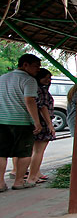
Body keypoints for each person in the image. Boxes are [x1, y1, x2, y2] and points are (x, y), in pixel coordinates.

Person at [0, 54, 42, 190]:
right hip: (22, 122)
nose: (38, 70)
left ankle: (0, 183)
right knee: (23, 153)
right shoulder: (29, 80)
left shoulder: (2, 78)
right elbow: (29, 101)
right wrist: (36, 121)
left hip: (2, 120)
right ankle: (18, 182)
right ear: (25, 65)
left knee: (1, 153)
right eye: (36, 66)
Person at [27, 68, 56, 184]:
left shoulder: (33, 89)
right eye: (46, 78)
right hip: (42, 123)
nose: (48, 80)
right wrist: (50, 125)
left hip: (35, 122)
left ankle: (36, 172)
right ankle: (32, 176)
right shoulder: (41, 91)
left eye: (50, 78)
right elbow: (43, 107)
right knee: (38, 151)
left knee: (34, 150)